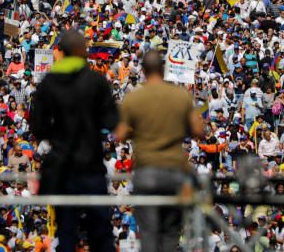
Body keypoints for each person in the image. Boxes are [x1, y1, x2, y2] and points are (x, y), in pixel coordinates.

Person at [30, 29, 119, 252]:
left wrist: (58, 136)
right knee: (101, 232)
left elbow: (38, 126)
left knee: (66, 232)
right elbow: (112, 120)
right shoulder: (96, 81)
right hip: (91, 167)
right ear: (82, 51)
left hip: (62, 168)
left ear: (62, 51)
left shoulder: (49, 82)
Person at [114, 50, 204, 252]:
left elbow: (119, 134)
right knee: (170, 233)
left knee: (148, 233)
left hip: (147, 172)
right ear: (163, 69)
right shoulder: (179, 95)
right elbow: (199, 130)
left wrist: (139, 130)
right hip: (174, 172)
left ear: (144, 71)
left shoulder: (134, 98)